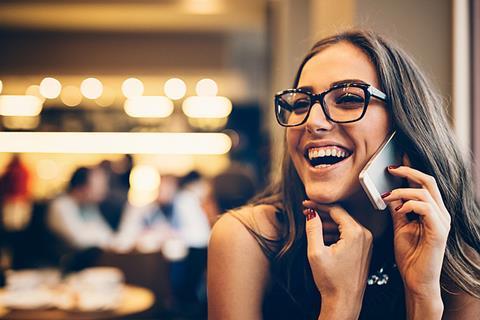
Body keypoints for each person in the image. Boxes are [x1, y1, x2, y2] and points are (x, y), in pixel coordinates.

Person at [208, 30, 480, 319]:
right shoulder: (246, 240)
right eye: (301, 103)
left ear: (403, 121)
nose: (312, 122)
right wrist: (340, 303)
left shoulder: (454, 252)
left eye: (348, 98)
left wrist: (422, 297)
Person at [47, 166, 113, 251]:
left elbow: (108, 236)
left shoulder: (89, 207)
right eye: (98, 186)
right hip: (65, 261)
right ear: (81, 187)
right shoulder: (61, 205)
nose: (103, 190)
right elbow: (79, 241)